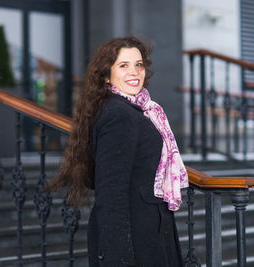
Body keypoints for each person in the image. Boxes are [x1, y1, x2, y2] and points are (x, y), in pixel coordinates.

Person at [47, 36, 189, 266]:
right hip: (134, 239)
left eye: (138, 64)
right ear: (106, 74)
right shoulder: (118, 115)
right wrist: (120, 259)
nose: (134, 72)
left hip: (148, 231)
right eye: (123, 66)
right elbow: (111, 195)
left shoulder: (139, 110)